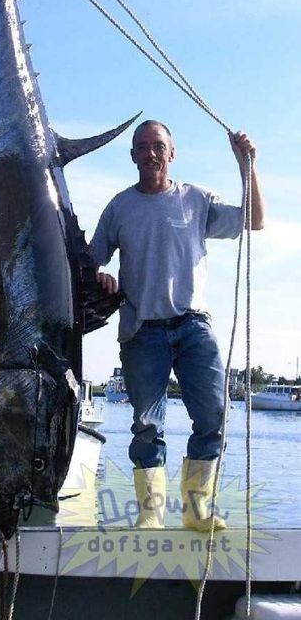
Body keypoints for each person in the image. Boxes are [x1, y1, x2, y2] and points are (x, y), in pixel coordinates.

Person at [90, 120, 265, 531]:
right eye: (142, 146)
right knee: (147, 425)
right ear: (132, 155)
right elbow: (89, 261)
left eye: (158, 146)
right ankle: (151, 513)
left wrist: (247, 165)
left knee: (212, 417)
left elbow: (253, 221)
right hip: (141, 330)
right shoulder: (118, 207)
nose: (150, 153)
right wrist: (101, 277)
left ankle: (196, 510)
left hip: (193, 327)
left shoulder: (197, 200)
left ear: (172, 153)